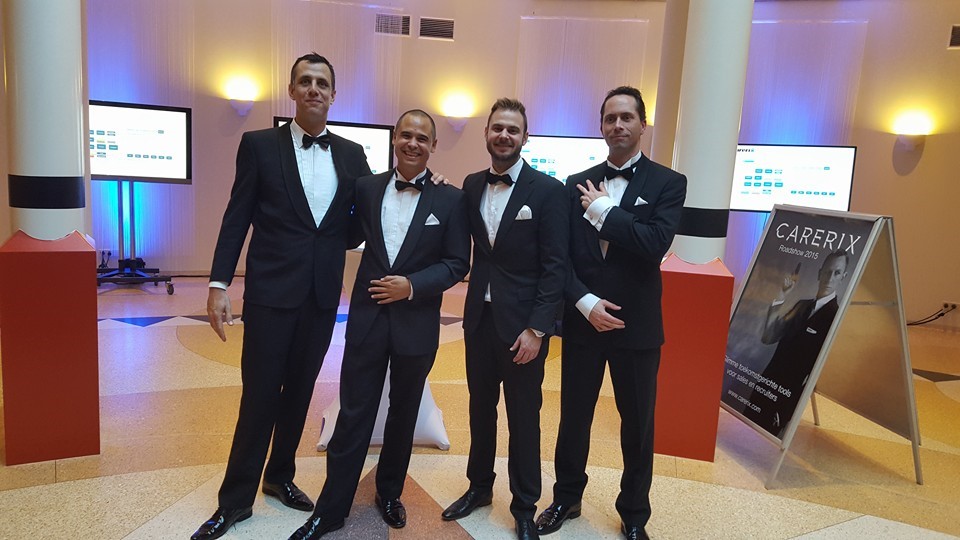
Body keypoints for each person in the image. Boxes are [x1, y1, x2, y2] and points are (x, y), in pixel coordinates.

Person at [192, 53, 373, 540]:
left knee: (300, 393)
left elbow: (367, 213)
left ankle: (279, 476)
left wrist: (429, 185)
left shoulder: (352, 154)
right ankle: (235, 500)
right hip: (271, 293)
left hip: (321, 294)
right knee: (258, 396)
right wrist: (218, 283)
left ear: (333, 94)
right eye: (305, 81)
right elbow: (237, 216)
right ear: (291, 90)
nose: (314, 89)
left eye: (322, 83)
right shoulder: (259, 145)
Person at [288, 109, 470, 539]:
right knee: (353, 413)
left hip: (416, 324)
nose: (413, 143)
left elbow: (457, 263)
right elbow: (342, 231)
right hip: (368, 319)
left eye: (422, 138)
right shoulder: (366, 188)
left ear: (433, 146)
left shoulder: (451, 198)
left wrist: (412, 286)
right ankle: (332, 508)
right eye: (406, 135)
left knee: (403, 414)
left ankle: (389, 492)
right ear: (394, 139)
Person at [536, 86, 686, 540]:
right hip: (584, 322)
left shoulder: (668, 183)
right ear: (601, 126)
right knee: (573, 418)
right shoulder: (574, 183)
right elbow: (559, 257)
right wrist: (584, 302)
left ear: (642, 124)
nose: (617, 125)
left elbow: (654, 244)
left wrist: (603, 210)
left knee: (637, 425)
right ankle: (566, 497)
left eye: (626, 117)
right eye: (609, 118)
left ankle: (634, 513)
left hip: (636, 327)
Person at [441, 98, 568, 540]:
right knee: (480, 409)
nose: (504, 136)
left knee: (523, 417)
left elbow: (556, 266)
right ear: (487, 133)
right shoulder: (472, 183)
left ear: (525, 137)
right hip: (478, 319)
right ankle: (479, 488)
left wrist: (538, 328)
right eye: (497, 128)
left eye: (513, 129)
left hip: (523, 328)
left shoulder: (548, 191)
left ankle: (524, 505)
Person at [757, 250, 850, 436]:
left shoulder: (835, 318)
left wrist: (787, 411)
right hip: (764, 386)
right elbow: (768, 337)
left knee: (763, 445)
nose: (830, 277)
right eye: (827, 271)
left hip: (783, 400)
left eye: (837, 273)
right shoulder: (801, 305)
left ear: (843, 277)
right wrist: (781, 295)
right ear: (820, 273)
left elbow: (812, 376)